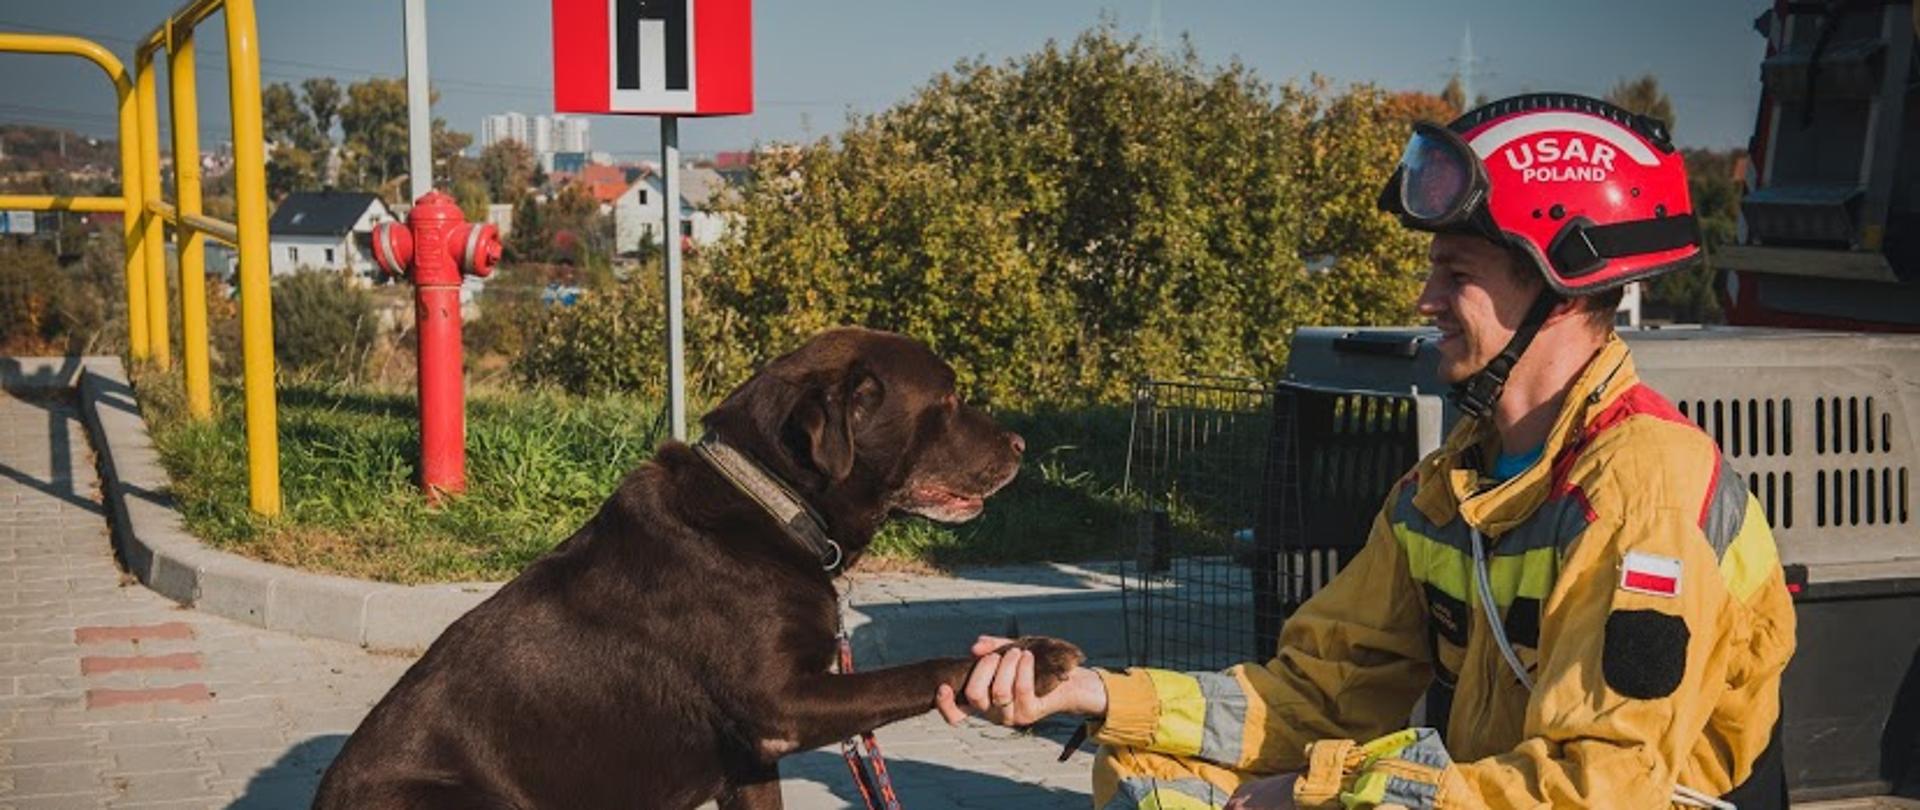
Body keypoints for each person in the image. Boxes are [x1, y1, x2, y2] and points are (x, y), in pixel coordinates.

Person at [936, 94, 1797, 810]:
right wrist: (1091, 694)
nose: (1424, 300)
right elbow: (1316, 696)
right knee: (1149, 776)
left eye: (1456, 272)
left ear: (1558, 285)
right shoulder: (1445, 489)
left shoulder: (1642, 493)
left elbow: (1597, 789)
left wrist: (1315, 793)